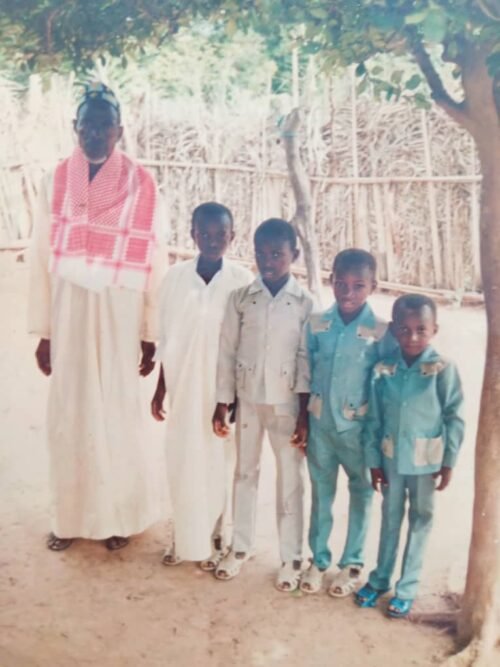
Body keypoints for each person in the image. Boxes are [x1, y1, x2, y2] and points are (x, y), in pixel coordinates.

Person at [28, 82, 165, 551]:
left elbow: (154, 257)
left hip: (120, 312)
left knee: (117, 411)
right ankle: (68, 518)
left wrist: (149, 331)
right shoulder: (55, 181)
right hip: (69, 312)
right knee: (71, 412)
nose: (95, 133)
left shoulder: (141, 183)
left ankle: (119, 517)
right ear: (75, 127)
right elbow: (41, 254)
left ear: (119, 130)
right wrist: (46, 331)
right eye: (87, 124)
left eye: (105, 125)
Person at [212, 218, 314, 592]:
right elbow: (227, 351)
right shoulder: (241, 298)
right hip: (249, 400)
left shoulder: (304, 303)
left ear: (294, 255)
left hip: (286, 405)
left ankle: (291, 557)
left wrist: (304, 415)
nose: (268, 261)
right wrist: (223, 401)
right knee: (244, 473)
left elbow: (306, 359)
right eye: (261, 254)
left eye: (277, 254)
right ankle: (240, 547)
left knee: (290, 480)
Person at [151, 202, 253, 569]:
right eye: (204, 233)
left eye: (220, 234)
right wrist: (160, 390)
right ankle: (183, 537)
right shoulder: (175, 279)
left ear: (232, 236)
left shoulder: (242, 281)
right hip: (182, 387)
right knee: (182, 459)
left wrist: (235, 396)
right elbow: (166, 339)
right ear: (192, 234)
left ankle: (215, 535)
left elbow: (247, 344)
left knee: (217, 462)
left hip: (220, 393)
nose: (212, 240)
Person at [355, 294, 464, 618]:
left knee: (420, 520)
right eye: (404, 329)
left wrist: (449, 461)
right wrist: (373, 461)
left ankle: (407, 588)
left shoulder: (442, 369)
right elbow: (373, 419)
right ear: (393, 329)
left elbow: (454, 416)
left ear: (434, 330)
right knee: (390, 519)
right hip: (391, 459)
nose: (413, 337)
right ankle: (379, 579)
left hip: (426, 463)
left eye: (421, 330)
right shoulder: (383, 370)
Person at [301, 249, 397, 596]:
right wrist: (303, 420)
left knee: (362, 493)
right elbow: (306, 371)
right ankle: (318, 559)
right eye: (341, 283)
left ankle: (352, 562)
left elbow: (387, 386)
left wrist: (382, 436)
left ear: (373, 286)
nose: (348, 292)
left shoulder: (382, 331)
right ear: (332, 281)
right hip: (321, 426)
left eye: (359, 286)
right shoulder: (317, 323)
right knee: (321, 493)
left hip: (360, 432)